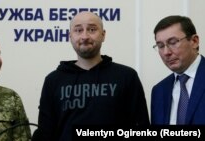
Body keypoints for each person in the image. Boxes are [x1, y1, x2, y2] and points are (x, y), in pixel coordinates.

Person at [32, 11, 150, 141]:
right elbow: (45, 133)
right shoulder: (53, 81)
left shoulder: (127, 76)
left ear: (103, 35)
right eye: (78, 30)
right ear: (70, 36)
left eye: (92, 29)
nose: (85, 36)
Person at [151, 15, 205, 125]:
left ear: (194, 41)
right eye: (160, 45)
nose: (166, 52)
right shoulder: (159, 91)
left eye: (173, 42)